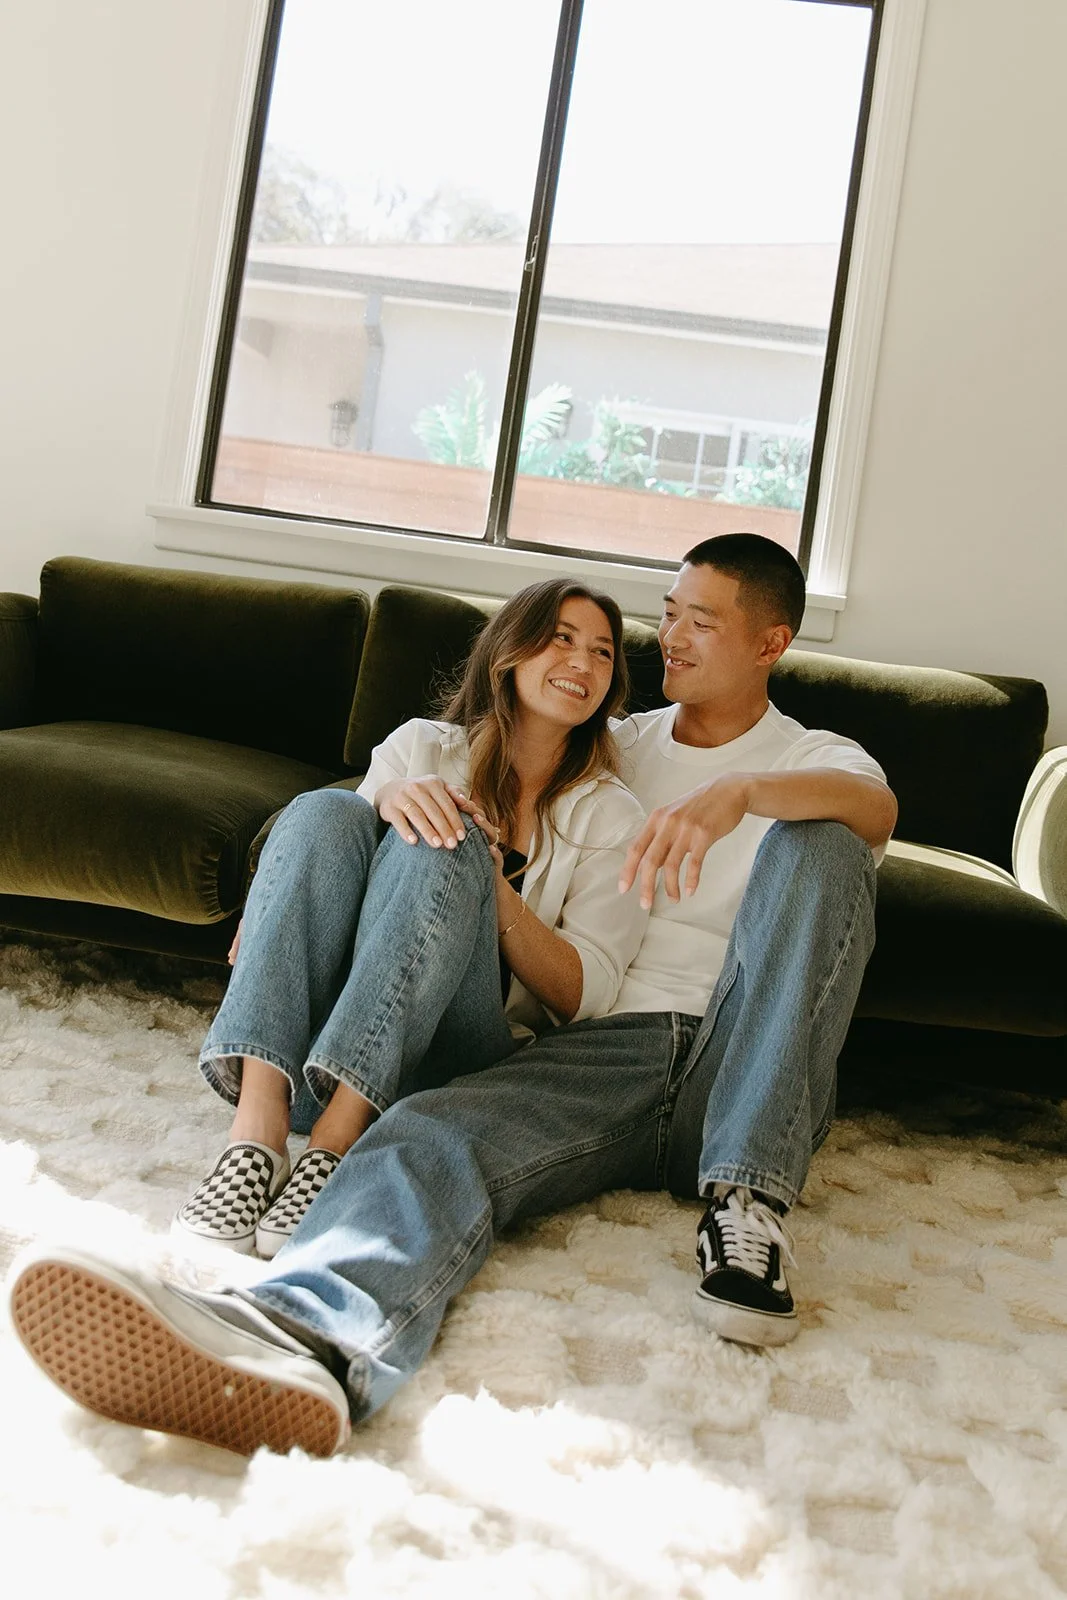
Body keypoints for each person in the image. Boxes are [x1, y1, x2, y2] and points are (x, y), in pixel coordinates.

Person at [8, 534, 897, 1461]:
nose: (665, 638)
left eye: (699, 623)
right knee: (427, 1134)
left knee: (823, 844)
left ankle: (748, 1204)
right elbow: (448, 782)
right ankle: (304, 1342)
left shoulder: (814, 755)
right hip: (603, 1053)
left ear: (769, 643)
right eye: (666, 614)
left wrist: (741, 794)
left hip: (741, 1058)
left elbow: (876, 815)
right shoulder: (611, 746)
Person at [170, 575, 647, 1257]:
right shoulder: (422, 744)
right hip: (315, 1060)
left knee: (447, 836)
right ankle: (256, 1131)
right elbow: (320, 866)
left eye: (603, 653)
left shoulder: (611, 814)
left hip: (446, 1069)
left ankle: (333, 1146)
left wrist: (492, 889)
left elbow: (585, 994)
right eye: (561, 639)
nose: (582, 663)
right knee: (325, 809)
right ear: (509, 650)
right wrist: (387, 797)